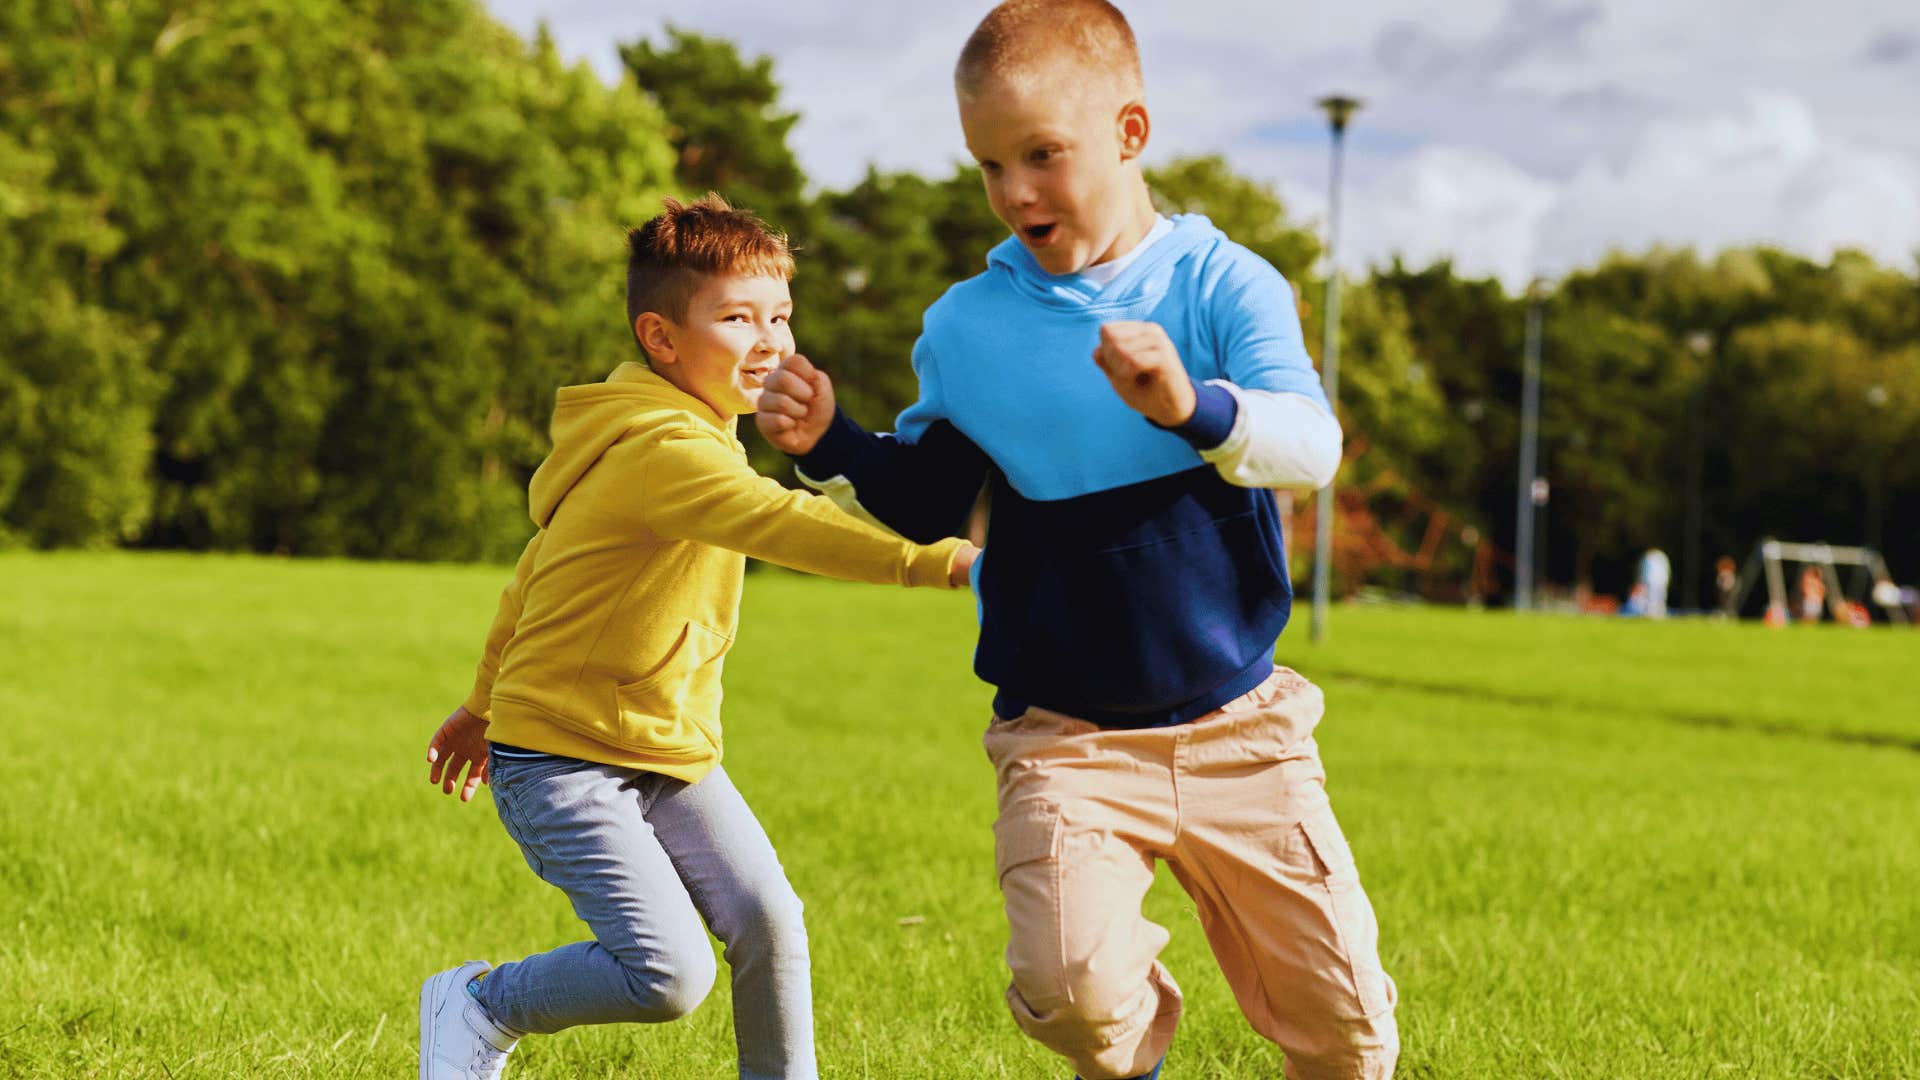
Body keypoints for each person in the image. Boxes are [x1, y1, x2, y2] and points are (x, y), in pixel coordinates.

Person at [754, 4, 1396, 1077]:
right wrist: (835, 443)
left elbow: (1312, 448)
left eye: (1042, 155)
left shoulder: (1223, 285)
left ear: (1130, 133)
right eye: (991, 166)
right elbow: (930, 497)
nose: (1015, 193)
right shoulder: (969, 327)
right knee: (1071, 996)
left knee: (1342, 1029)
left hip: (1243, 730)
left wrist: (1193, 407)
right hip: (1068, 738)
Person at [417, 195, 976, 1080]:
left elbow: (531, 576)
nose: (771, 342)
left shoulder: (682, 434)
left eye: (781, 317)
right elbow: (781, 520)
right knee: (668, 973)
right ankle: (482, 1004)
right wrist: (942, 559)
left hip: (667, 749)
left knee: (769, 923)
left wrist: (478, 704)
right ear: (662, 337)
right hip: (563, 760)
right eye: (737, 318)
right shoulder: (664, 452)